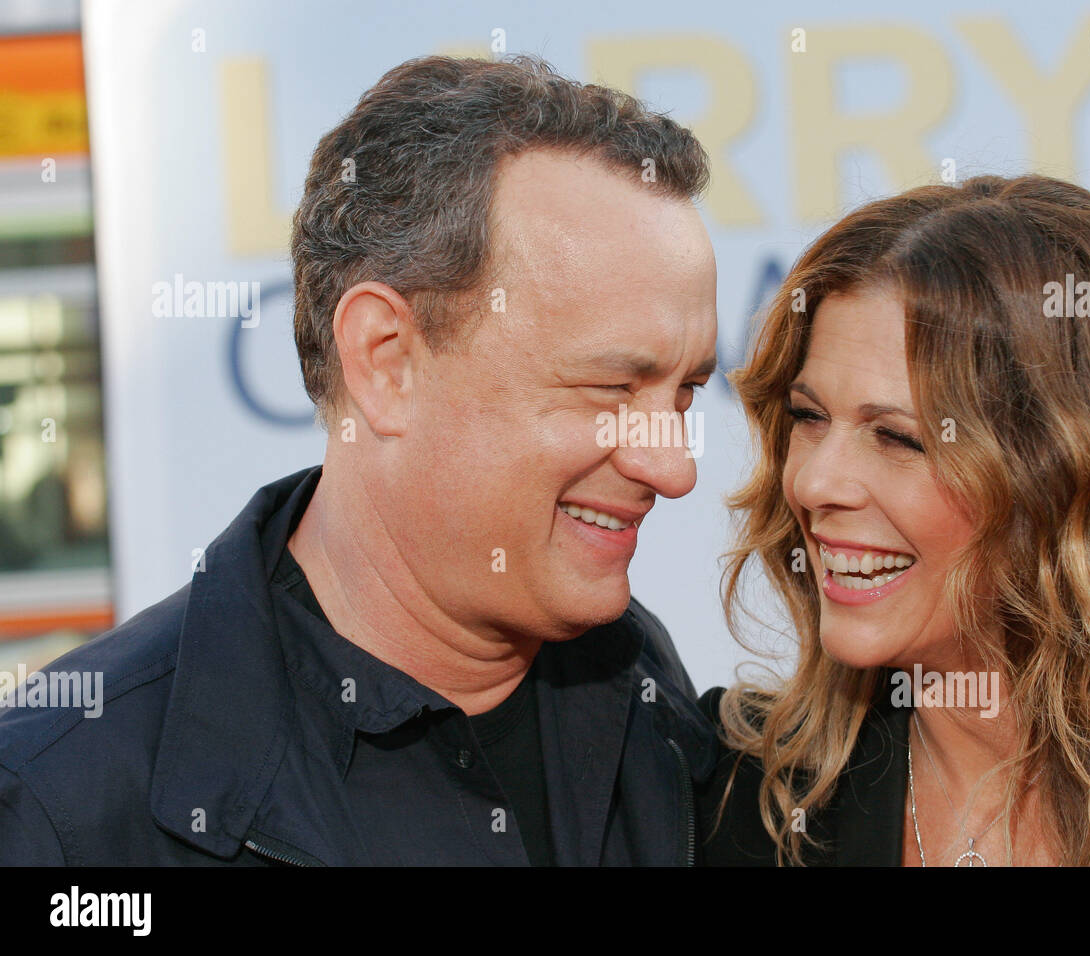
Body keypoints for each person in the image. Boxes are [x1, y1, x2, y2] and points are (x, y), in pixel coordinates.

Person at [0, 54, 720, 865]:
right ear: (385, 362)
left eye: (687, 392)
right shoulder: (64, 809)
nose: (675, 469)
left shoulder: (644, 687)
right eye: (611, 387)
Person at [699, 174, 1090, 866]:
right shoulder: (740, 796)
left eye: (897, 438)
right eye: (809, 418)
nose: (812, 483)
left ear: (1076, 475)